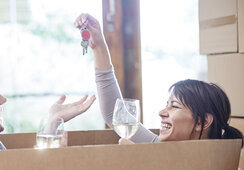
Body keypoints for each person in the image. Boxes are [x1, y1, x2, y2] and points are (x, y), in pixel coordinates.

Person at [74, 13, 243, 144]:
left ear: (202, 121)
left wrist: (147, 162)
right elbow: (114, 112)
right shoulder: (158, 145)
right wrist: (99, 45)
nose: (161, 113)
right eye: (166, 105)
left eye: (174, 106)